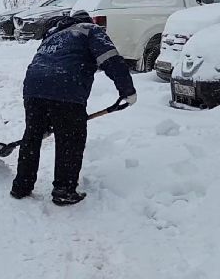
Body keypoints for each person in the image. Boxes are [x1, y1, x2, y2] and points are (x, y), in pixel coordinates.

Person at [11, 12, 137, 206]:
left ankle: (22, 185)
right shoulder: (90, 30)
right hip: (66, 88)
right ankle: (64, 190)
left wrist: (45, 119)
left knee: (32, 136)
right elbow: (111, 59)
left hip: (34, 88)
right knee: (70, 139)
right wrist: (127, 90)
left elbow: (48, 61)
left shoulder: (53, 34)